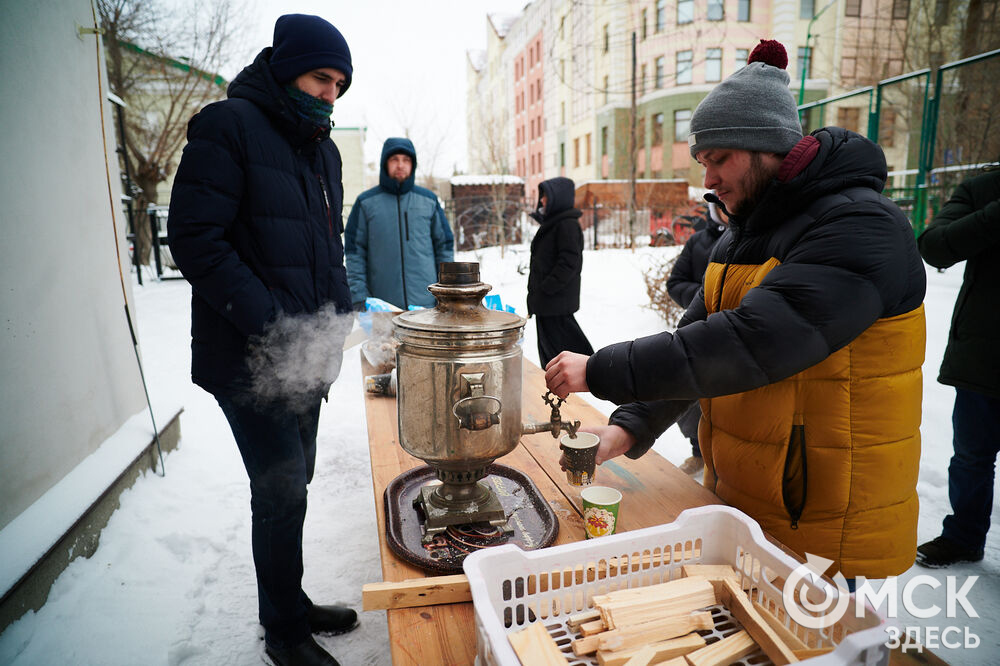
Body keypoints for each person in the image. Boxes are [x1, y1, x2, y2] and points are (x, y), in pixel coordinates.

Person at [544, 39, 927, 581]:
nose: (707, 179)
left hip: (821, 514)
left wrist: (602, 369)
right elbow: (696, 343)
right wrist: (628, 427)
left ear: (765, 145)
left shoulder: (862, 226)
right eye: (703, 162)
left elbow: (747, 344)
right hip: (747, 494)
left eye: (718, 158)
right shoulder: (744, 232)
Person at [167, 14, 357, 666]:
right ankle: (284, 635)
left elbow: (327, 253)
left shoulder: (323, 150)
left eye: (339, 84)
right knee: (280, 491)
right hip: (250, 358)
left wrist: (340, 316)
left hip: (305, 356)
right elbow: (196, 238)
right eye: (319, 78)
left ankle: (292, 603)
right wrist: (275, 327)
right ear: (284, 69)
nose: (330, 94)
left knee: (294, 481)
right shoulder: (229, 126)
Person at [914, 164, 1000, 568]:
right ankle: (963, 536)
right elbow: (934, 245)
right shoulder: (984, 188)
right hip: (984, 356)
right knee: (971, 456)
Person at [344, 137, 454, 310]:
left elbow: (444, 248)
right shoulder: (366, 203)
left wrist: (447, 293)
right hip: (382, 309)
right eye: (394, 159)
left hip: (426, 307)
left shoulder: (429, 201)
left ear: (413, 164)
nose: (400, 165)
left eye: (406, 160)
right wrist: (359, 297)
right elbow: (354, 253)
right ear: (385, 164)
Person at [665, 202, 726, 476]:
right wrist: (705, 298)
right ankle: (698, 452)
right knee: (690, 398)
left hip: (732, 335)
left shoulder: (752, 239)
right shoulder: (698, 240)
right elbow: (675, 282)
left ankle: (722, 460)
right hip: (698, 330)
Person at [527, 177, 595, 367]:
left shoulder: (566, 225)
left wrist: (547, 287)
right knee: (554, 352)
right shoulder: (554, 223)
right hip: (547, 302)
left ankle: (596, 373)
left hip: (555, 301)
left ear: (559, 198)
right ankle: (560, 384)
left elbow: (570, 262)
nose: (541, 201)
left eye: (546, 196)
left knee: (567, 351)